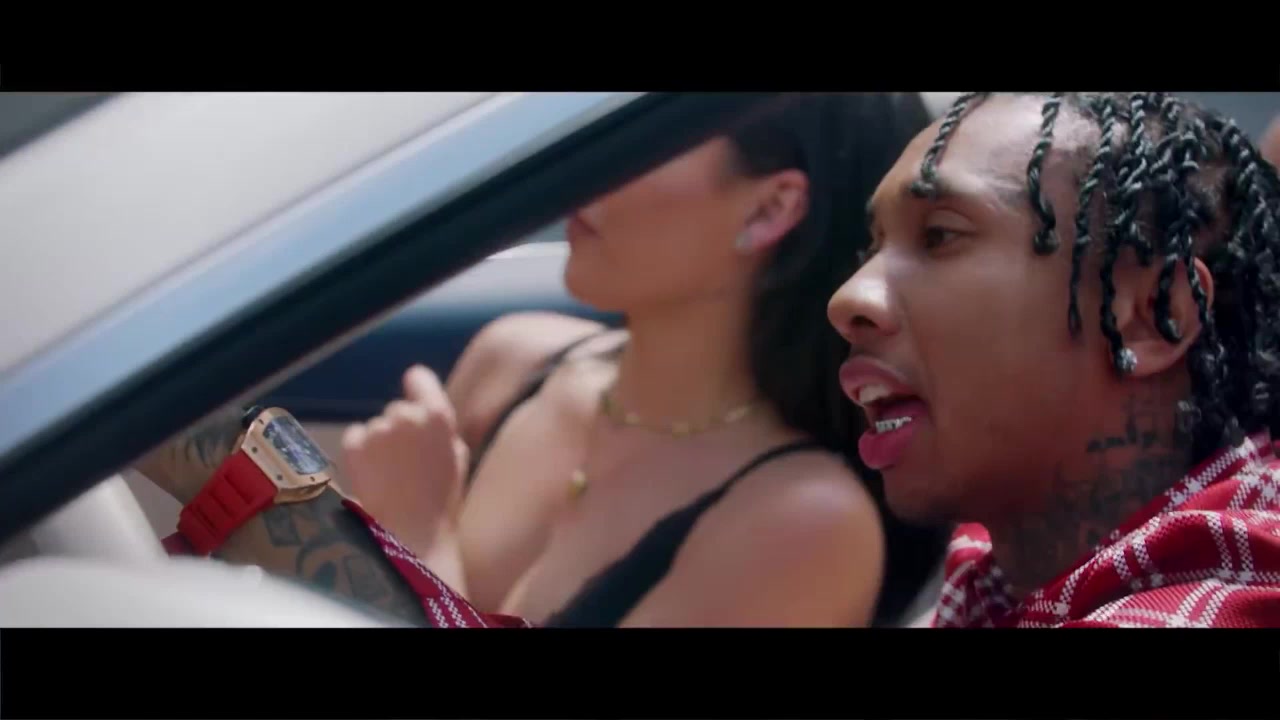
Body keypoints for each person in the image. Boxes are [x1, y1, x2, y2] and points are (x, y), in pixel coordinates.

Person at [137, 93, 950, 628]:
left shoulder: (803, 523)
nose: (584, 162)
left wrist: (415, 539)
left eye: (636, 137)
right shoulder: (512, 361)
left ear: (770, 207)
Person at [826, 91, 1280, 627]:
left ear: (1156, 314)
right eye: (873, 248)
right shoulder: (990, 589)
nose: (847, 300)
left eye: (940, 235)